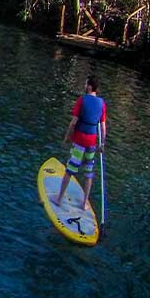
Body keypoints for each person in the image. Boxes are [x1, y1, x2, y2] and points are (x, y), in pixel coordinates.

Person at [54, 76, 108, 208]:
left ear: (89, 86)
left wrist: (67, 136)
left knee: (71, 168)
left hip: (80, 139)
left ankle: (59, 199)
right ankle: (84, 203)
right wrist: (102, 144)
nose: (84, 86)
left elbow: (73, 123)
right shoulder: (102, 103)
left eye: (85, 84)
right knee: (89, 171)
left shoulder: (81, 100)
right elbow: (103, 127)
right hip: (92, 141)